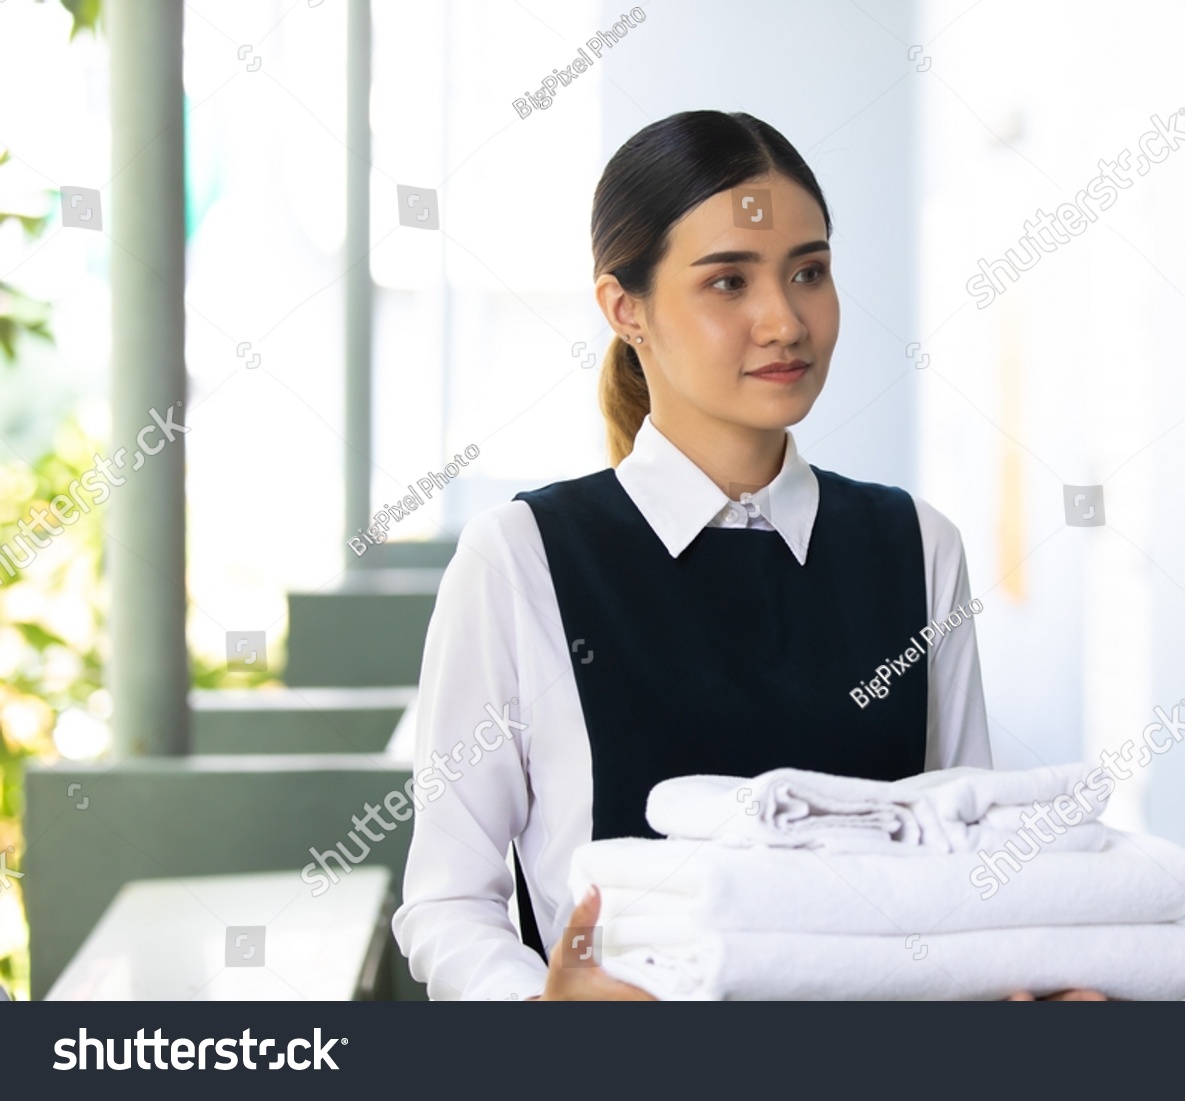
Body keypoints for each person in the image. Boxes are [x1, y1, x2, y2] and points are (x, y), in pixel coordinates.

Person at [392, 109, 1098, 1001]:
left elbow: (960, 860)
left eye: (809, 271)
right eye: (728, 281)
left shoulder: (916, 545)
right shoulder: (522, 559)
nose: (784, 321)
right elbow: (448, 898)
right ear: (626, 309)